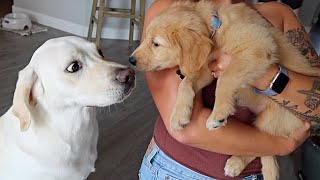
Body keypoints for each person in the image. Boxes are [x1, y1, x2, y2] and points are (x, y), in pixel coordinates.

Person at [138, 0, 318, 179]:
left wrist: (266, 75)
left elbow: (316, 106)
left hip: (253, 175)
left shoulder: (278, 14)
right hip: (175, 172)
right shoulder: (171, 11)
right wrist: (282, 145)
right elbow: (187, 130)